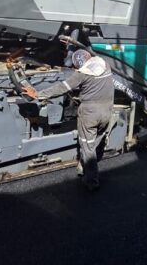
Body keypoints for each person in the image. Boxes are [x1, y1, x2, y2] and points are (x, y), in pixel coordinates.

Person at [22, 49, 113, 191]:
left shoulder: (81, 75)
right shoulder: (105, 64)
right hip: (107, 112)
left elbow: (60, 88)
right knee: (97, 141)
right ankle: (84, 166)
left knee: (87, 147)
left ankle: (92, 181)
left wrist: (38, 94)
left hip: (90, 115)